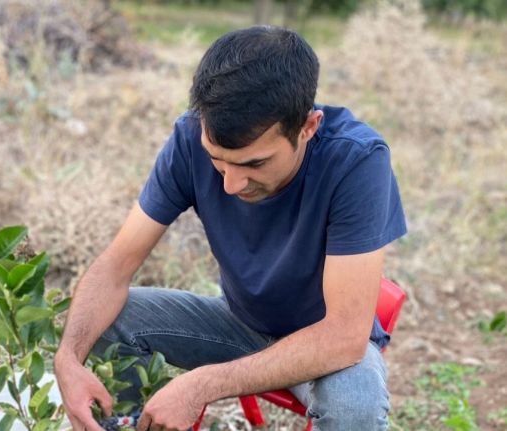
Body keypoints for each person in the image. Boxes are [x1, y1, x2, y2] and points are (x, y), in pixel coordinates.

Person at [54, 25, 406, 431]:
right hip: (239, 324)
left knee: (355, 407)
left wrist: (201, 384)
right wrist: (67, 357)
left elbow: (343, 336)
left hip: (323, 342)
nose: (230, 184)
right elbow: (114, 268)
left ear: (308, 127)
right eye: (217, 160)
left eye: (254, 164)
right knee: (108, 319)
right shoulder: (188, 137)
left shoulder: (356, 161)